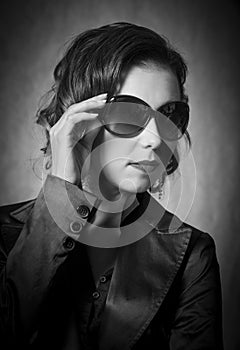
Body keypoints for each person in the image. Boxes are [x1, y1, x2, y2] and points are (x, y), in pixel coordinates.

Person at [0, 22, 223, 349]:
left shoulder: (192, 255)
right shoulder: (4, 236)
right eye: (131, 114)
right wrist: (61, 189)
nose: (155, 139)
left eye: (169, 114)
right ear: (80, 118)